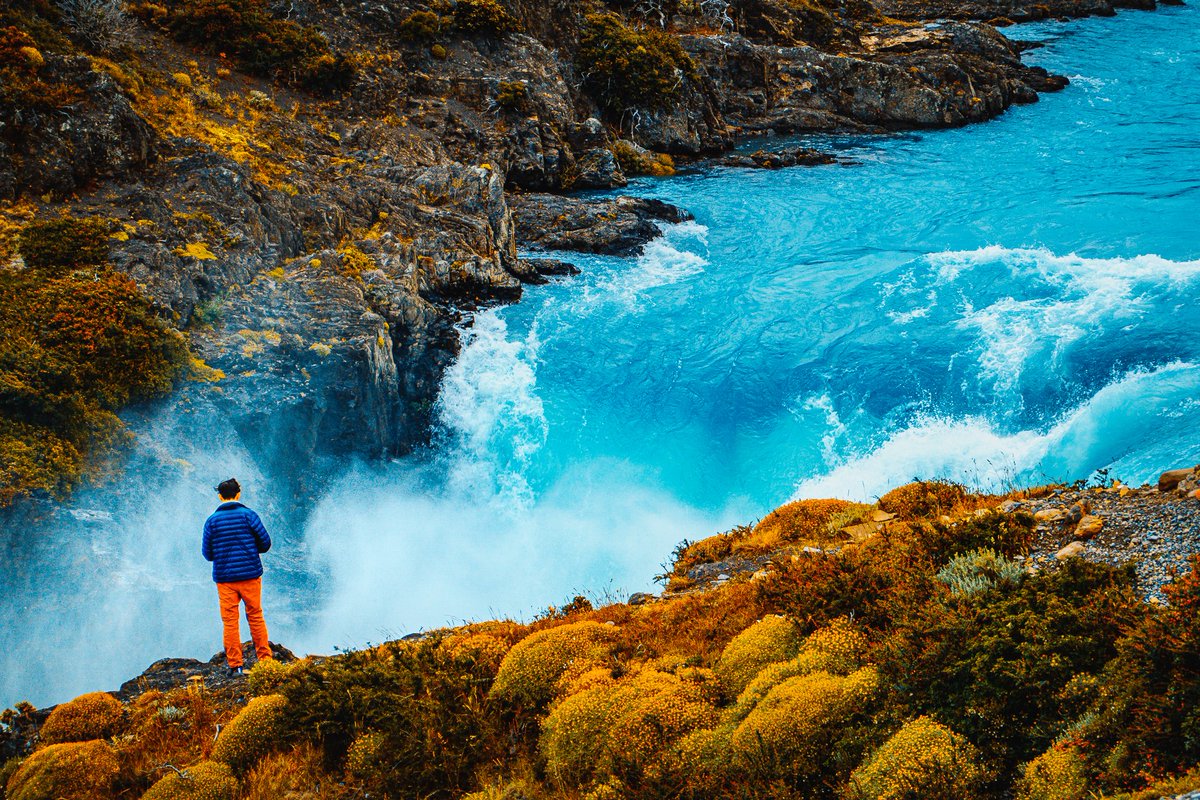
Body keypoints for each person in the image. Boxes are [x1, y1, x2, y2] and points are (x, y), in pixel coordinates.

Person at [202, 478, 273, 675]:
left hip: (225, 579)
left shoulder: (212, 521)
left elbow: (208, 554)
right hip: (250, 575)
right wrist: (250, 551)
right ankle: (266, 662)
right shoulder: (249, 516)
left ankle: (236, 666)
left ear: (220, 496)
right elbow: (265, 544)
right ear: (238, 494)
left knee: (230, 621)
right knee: (256, 616)